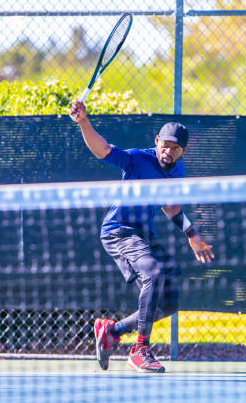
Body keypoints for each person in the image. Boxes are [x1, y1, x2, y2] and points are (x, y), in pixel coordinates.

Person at [69, 100, 214, 373]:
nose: (168, 151)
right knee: (154, 273)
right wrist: (84, 122)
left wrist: (191, 234)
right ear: (156, 141)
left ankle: (112, 331)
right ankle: (140, 349)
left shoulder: (177, 171)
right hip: (119, 232)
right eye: (165, 145)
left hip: (143, 235)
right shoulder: (137, 159)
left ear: (184, 150)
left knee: (169, 302)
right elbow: (103, 150)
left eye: (175, 148)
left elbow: (168, 204)